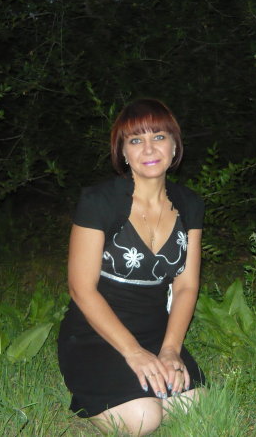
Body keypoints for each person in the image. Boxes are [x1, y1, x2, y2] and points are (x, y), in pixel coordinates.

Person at [57, 98, 206, 435]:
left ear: (174, 146)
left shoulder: (190, 204)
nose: (149, 149)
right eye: (136, 140)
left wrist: (170, 349)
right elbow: (81, 289)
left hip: (155, 331)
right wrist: (133, 353)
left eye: (159, 137)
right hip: (95, 333)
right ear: (123, 152)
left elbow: (186, 286)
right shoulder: (99, 201)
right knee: (143, 417)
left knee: (193, 406)